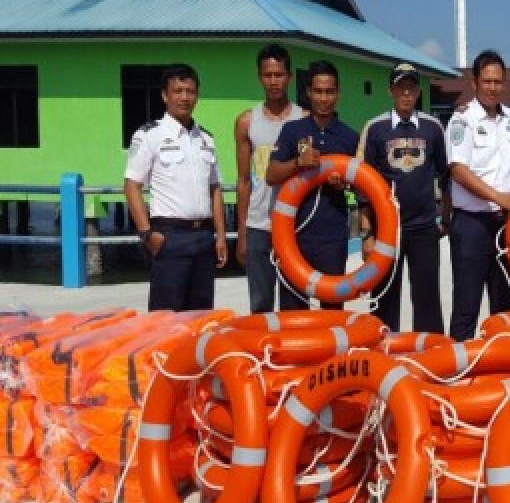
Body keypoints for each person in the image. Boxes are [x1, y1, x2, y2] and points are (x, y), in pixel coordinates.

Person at [124, 63, 227, 311]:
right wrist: (147, 234)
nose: (184, 97)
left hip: (203, 237)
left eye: (190, 91)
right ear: (165, 95)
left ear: (197, 95)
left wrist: (221, 235)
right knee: (166, 318)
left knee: (201, 317)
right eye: (177, 91)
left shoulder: (206, 138)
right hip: (170, 237)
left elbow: (214, 189)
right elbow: (131, 186)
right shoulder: (149, 135)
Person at [358, 62, 450, 333]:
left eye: (411, 88)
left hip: (423, 227)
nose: (406, 94)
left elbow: (446, 176)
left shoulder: (433, 128)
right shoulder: (375, 129)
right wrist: (367, 233)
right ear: (391, 91)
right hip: (387, 229)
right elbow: (364, 186)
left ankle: (430, 353)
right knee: (385, 295)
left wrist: (445, 217)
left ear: (418, 92)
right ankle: (384, 352)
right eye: (401, 88)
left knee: (427, 297)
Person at [446, 50, 510, 341]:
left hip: (507, 225)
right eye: (487, 81)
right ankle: (456, 378)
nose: (493, 87)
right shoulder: (462, 120)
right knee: (467, 306)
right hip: (472, 225)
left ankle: (501, 376)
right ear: (475, 82)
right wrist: (499, 197)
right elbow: (458, 170)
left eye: (498, 82)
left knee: (506, 306)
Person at [266, 60, 360, 310]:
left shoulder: (349, 137)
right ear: (309, 92)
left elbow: (360, 187)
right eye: (318, 91)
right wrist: (298, 163)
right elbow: (271, 174)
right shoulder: (292, 131)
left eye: (329, 92)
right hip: (295, 236)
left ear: (338, 94)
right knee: (293, 313)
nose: (324, 98)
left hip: (332, 238)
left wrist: (343, 185)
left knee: (331, 312)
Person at [233, 44, 305, 313]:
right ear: (259, 77)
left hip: (295, 223)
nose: (273, 81)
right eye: (268, 75)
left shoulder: (304, 119)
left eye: (279, 74)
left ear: (290, 77)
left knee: (295, 304)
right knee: (260, 305)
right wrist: (242, 233)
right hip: (258, 224)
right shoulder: (246, 122)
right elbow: (243, 181)